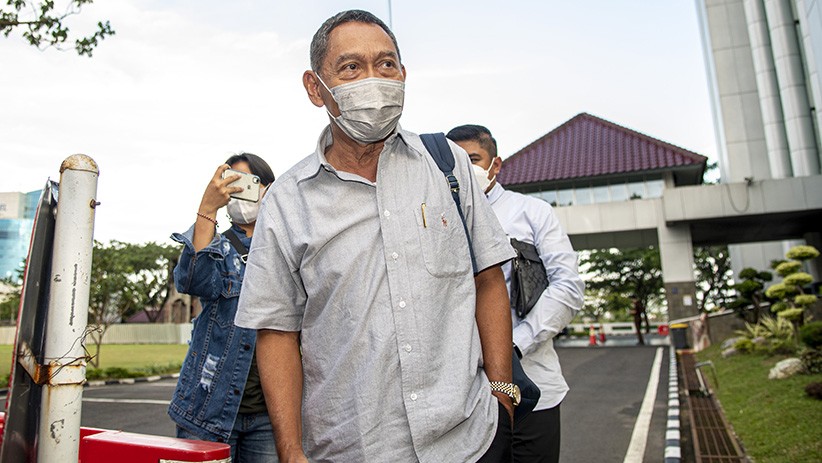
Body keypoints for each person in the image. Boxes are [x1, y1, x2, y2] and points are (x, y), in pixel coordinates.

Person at [234, 10, 517, 463]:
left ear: (403, 74)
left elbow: (488, 278)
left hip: (469, 441)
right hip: (352, 447)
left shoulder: (447, 165)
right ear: (315, 87)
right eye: (351, 67)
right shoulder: (286, 202)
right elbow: (277, 332)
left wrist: (503, 395)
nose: (373, 79)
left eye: (386, 64)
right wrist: (290, 450)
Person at [447, 125, 585, 463]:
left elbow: (568, 287)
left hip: (531, 388)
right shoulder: (435, 219)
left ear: (495, 164)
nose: (465, 169)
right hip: (460, 399)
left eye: (473, 160)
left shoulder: (532, 213)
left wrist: (514, 346)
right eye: (455, 162)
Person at [168, 153, 278, 462]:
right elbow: (192, 280)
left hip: (270, 415)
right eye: (231, 182)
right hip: (207, 409)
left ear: (268, 189)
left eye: (247, 182)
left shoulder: (285, 248)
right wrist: (207, 208)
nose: (238, 191)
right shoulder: (219, 246)